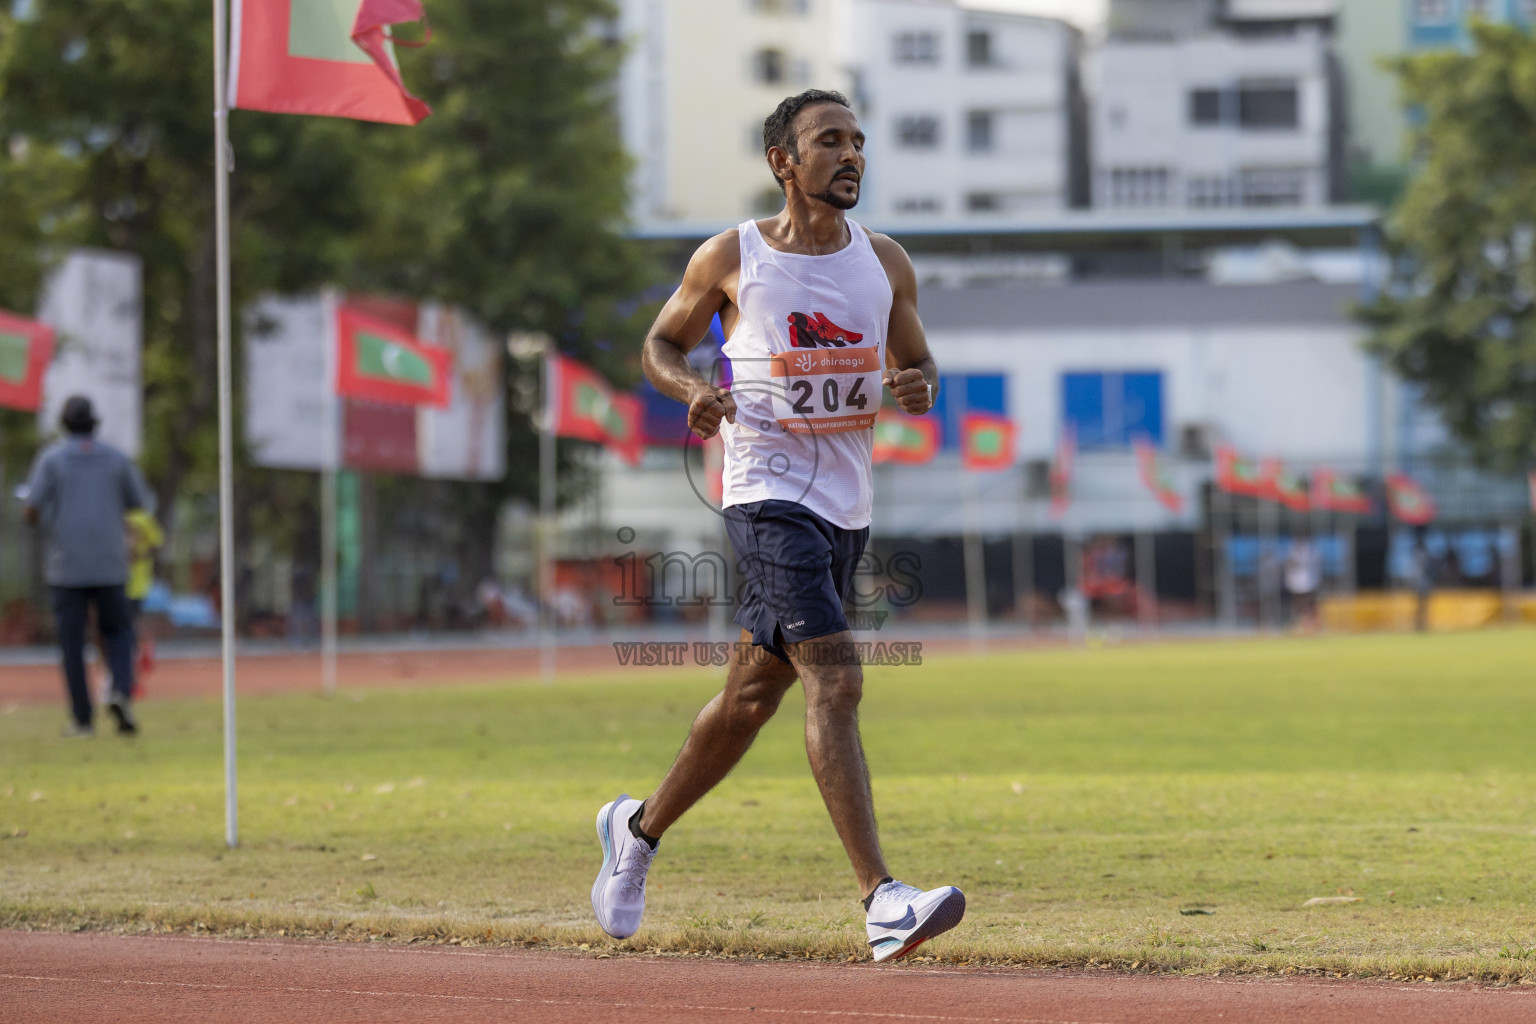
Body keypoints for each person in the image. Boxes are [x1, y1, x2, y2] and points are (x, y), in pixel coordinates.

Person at [590, 89, 963, 962]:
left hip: (847, 507)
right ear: (783, 162)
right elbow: (660, 345)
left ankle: (634, 831)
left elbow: (920, 365)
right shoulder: (734, 256)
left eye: (859, 141)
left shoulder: (886, 263)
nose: (852, 154)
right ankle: (881, 900)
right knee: (837, 681)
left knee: (752, 699)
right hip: (764, 497)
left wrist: (920, 385)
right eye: (830, 141)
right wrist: (694, 392)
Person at [22, 395, 151, 736]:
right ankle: (121, 690)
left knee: (71, 643)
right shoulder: (116, 458)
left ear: (64, 425)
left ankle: (83, 720)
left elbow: (32, 508)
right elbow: (138, 501)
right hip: (110, 562)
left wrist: (46, 515)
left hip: (67, 566)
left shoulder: (51, 460)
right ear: (96, 423)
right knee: (119, 633)